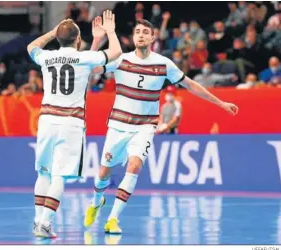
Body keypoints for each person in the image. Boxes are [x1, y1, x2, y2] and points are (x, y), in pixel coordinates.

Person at [84, 19, 238, 234]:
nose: (140, 35)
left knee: (134, 166)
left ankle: (112, 219)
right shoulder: (120, 59)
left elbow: (191, 85)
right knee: (103, 173)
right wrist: (97, 40)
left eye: (145, 32)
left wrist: (220, 103)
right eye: (137, 31)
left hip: (145, 126)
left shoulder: (164, 63)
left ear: (152, 38)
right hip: (118, 124)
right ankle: (96, 202)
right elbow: (90, 69)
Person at [27, 10, 122, 238]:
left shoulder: (47, 57)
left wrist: (53, 32)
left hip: (47, 120)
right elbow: (116, 53)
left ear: (58, 38)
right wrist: (110, 31)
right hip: (70, 122)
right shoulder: (83, 58)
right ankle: (46, 224)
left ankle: (39, 220)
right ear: (78, 40)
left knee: (44, 172)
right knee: (59, 175)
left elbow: (31, 46)